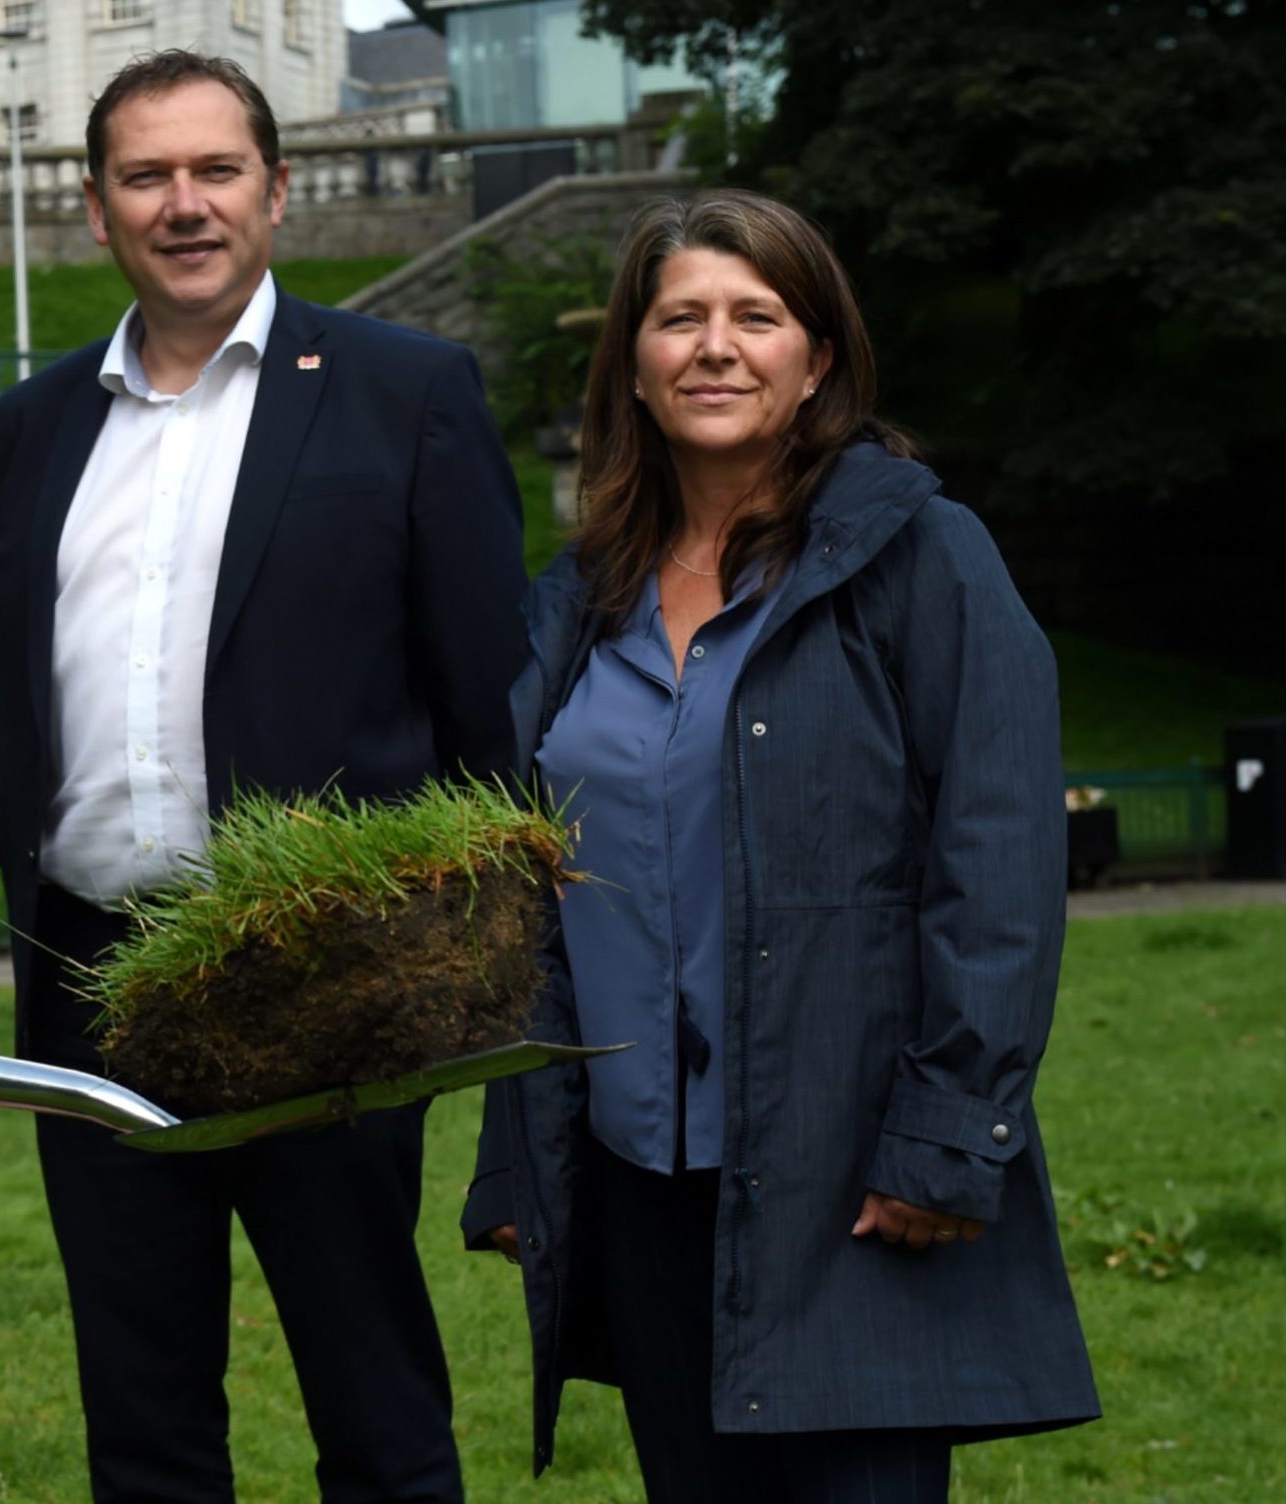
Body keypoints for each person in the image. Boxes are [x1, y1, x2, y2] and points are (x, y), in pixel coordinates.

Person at [462, 189, 1100, 1498]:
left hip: (848, 1181)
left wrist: (945, 1135)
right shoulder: (577, 599)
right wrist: (519, 1152)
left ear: (817, 362)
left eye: (757, 316)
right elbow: (532, 909)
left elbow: (1001, 865)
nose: (715, 346)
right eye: (680, 316)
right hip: (641, 1185)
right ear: (632, 367)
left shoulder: (922, 559)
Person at [0, 50, 527, 1504]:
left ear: (275, 193)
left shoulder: (407, 395)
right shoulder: (26, 433)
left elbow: (490, 726)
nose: (184, 204)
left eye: (215, 170)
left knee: (376, 1408)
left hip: (327, 982)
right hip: (97, 990)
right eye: (147, 176)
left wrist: (468, 974)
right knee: (144, 1427)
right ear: (96, 209)